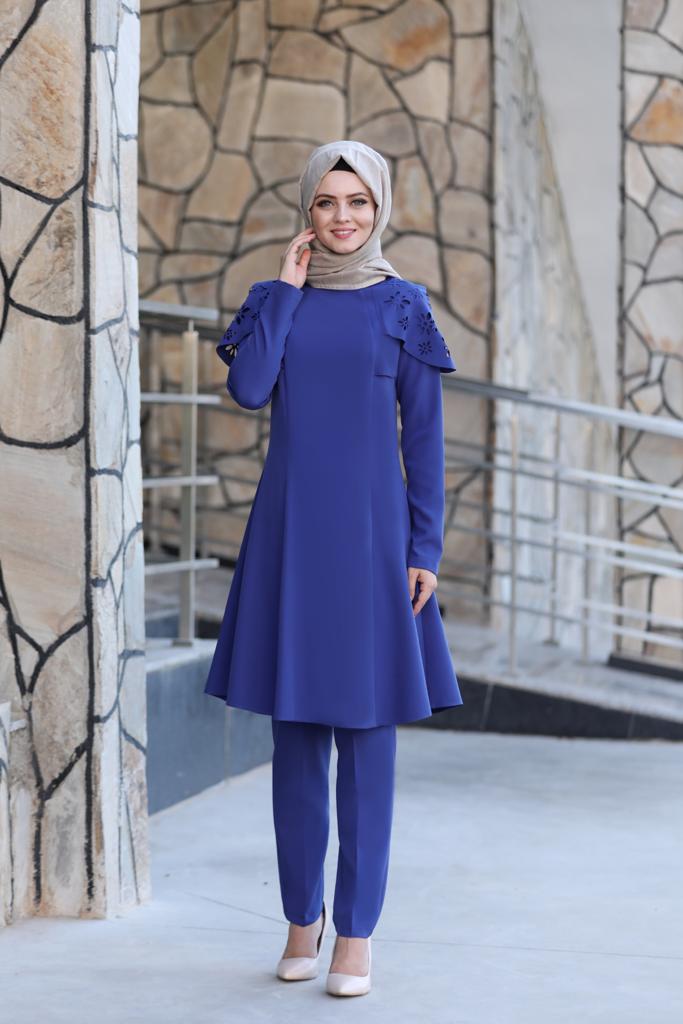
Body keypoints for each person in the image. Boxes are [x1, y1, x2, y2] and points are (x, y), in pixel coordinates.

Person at [204, 140, 463, 997]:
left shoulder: (402, 306)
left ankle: (356, 933)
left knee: (366, 743)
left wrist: (424, 548)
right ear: (307, 210)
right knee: (294, 745)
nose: (342, 216)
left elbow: (423, 439)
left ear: (377, 208)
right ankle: (299, 919)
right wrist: (285, 290)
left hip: (373, 545)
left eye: (357, 202)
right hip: (289, 540)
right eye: (326, 201)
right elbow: (248, 391)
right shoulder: (274, 300)